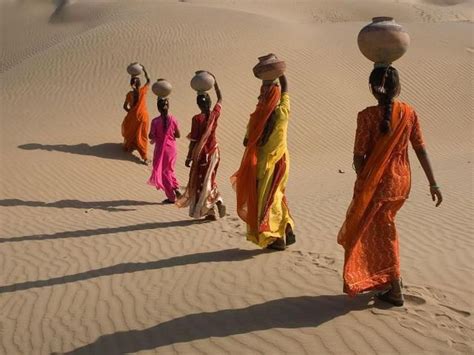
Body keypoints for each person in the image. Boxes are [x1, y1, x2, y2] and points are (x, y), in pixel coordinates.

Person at [337, 65, 443, 306]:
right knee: (383, 228)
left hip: (379, 184)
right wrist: (433, 183)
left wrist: (363, 178)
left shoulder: (366, 116)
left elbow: (358, 154)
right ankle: (388, 278)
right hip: (401, 181)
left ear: (373, 90)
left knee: (383, 232)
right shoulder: (409, 112)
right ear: (398, 88)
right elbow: (420, 148)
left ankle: (394, 286)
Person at [231, 74, 295, 251]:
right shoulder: (282, 112)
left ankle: (275, 237)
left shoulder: (257, 117)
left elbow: (246, 141)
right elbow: (286, 92)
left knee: (268, 199)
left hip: (264, 165)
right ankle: (286, 225)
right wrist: (281, 77)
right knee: (277, 195)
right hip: (282, 162)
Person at [175, 72, 226, 221]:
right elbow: (221, 98)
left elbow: (194, 140)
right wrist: (214, 82)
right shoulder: (214, 114)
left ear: (198, 104)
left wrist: (189, 157)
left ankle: (217, 201)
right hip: (215, 152)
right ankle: (210, 211)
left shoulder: (197, 119)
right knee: (210, 179)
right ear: (210, 102)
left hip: (202, 154)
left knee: (203, 182)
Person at [147, 96, 181, 203]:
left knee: (163, 173)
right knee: (169, 170)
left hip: (161, 150)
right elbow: (178, 135)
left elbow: (150, 136)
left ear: (158, 108)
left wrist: (157, 135)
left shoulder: (155, 121)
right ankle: (176, 188)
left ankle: (171, 197)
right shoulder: (173, 119)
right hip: (172, 150)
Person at [122, 66, 151, 164]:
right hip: (143, 117)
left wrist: (131, 112)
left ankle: (129, 146)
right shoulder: (143, 91)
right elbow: (149, 80)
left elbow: (125, 107)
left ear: (131, 84)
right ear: (139, 84)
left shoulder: (129, 94)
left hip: (133, 117)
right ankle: (144, 156)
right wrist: (143, 69)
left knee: (131, 132)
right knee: (142, 135)